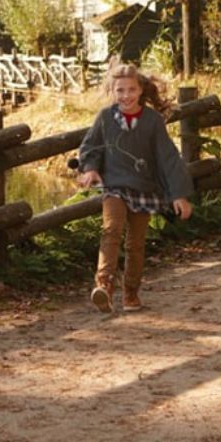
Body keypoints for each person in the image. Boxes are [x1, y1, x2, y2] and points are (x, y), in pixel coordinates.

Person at [78, 64, 195, 312]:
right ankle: (104, 285)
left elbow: (168, 158)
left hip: (143, 187)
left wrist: (179, 195)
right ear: (112, 90)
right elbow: (91, 147)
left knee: (136, 243)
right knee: (111, 229)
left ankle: (130, 292)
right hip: (114, 186)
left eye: (131, 89)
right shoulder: (105, 118)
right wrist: (90, 169)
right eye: (120, 90)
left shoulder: (152, 121)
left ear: (141, 90)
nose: (126, 95)